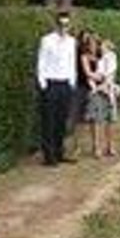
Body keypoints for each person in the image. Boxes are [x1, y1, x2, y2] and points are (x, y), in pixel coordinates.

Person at [36, 10, 77, 166]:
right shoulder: (46, 40)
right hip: (51, 84)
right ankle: (49, 156)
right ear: (56, 24)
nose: (63, 27)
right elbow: (41, 63)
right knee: (49, 121)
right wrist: (43, 85)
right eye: (61, 24)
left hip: (65, 84)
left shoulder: (71, 41)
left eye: (66, 24)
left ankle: (60, 153)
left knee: (61, 120)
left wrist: (72, 82)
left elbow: (71, 62)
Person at [86, 38, 120, 156]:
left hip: (108, 91)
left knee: (110, 120)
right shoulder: (98, 58)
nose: (101, 47)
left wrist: (100, 83)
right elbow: (93, 75)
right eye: (101, 46)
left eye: (103, 46)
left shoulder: (112, 57)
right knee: (97, 119)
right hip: (98, 91)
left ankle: (110, 147)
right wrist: (95, 84)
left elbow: (108, 75)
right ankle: (97, 147)